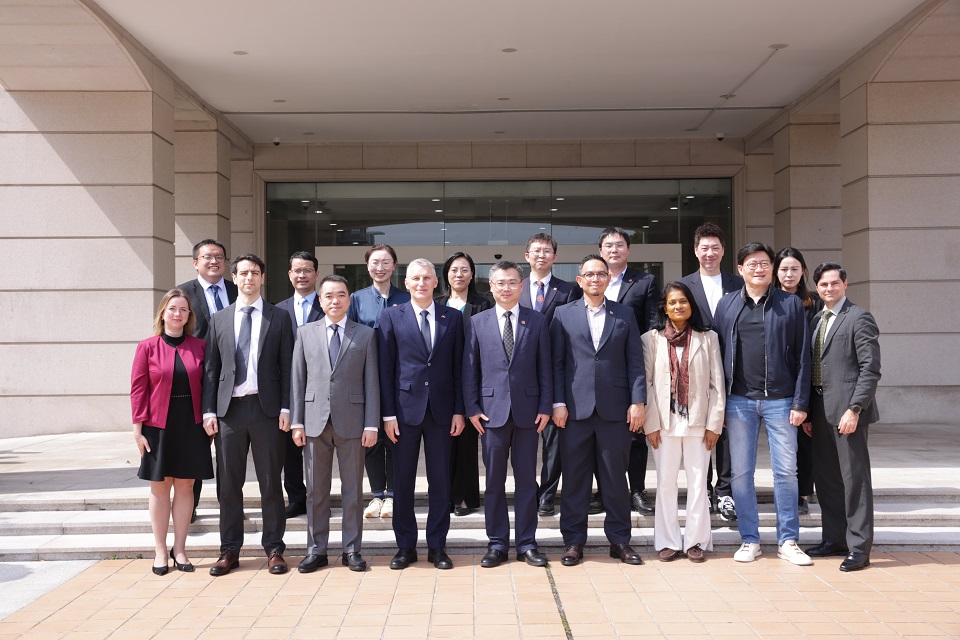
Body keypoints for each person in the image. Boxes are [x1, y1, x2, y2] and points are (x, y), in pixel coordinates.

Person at [713, 242, 812, 566]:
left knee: (786, 473)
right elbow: (717, 357)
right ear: (740, 269)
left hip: (781, 401)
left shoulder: (790, 304)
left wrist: (800, 402)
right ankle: (750, 539)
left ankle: (788, 540)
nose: (759, 269)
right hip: (738, 401)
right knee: (741, 473)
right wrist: (719, 404)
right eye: (752, 264)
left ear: (772, 268)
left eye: (765, 263)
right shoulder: (727, 304)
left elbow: (803, 356)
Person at [551, 254, 646, 567]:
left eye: (601, 274)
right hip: (573, 411)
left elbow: (635, 362)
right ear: (580, 280)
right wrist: (558, 403)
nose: (595, 279)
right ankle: (573, 541)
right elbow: (557, 363)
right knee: (574, 480)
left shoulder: (624, 313)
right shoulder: (563, 314)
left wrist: (638, 401)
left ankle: (619, 541)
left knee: (615, 479)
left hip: (615, 410)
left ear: (608, 278)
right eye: (589, 274)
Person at [203, 254, 294, 577]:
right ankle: (229, 550)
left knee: (271, 483)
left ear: (262, 278)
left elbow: (288, 367)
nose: (249, 278)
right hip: (229, 411)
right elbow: (211, 369)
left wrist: (287, 408)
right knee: (229, 485)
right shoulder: (219, 319)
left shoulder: (279, 317)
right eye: (243, 273)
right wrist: (209, 410)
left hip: (267, 410)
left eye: (255, 272)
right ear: (235, 277)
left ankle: (274, 549)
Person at [462, 261, 552, 568]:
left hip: (529, 414)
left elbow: (545, 367)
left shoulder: (536, 321)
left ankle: (527, 543)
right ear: (491, 286)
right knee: (494, 482)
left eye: (512, 282)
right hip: (491, 415)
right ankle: (497, 543)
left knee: (527, 482)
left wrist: (545, 406)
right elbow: (469, 369)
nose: (506, 288)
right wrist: (472, 408)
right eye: (500, 282)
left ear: (521, 286)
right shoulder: (478, 322)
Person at [378, 258, 465, 570]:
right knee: (402, 482)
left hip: (442, 411)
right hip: (403, 412)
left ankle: (437, 546)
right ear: (406, 283)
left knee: (440, 482)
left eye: (427, 278)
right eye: (415, 278)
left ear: (436, 282)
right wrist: (387, 414)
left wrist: (459, 410)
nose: (421, 283)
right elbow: (385, 368)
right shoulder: (391, 316)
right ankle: (405, 547)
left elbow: (459, 367)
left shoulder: (452, 317)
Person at [291, 275, 380, 573]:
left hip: (353, 422)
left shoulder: (365, 334)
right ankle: (316, 550)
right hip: (314, 421)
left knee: (353, 490)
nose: (335, 300)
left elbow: (372, 382)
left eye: (341, 295)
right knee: (316, 491)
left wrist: (371, 424)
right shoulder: (305, 333)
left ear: (349, 299)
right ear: (320, 300)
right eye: (329, 295)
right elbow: (297, 380)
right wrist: (297, 422)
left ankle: (351, 549)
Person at [130, 289, 214, 575]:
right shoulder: (147, 347)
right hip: (158, 426)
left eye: (183, 310)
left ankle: (180, 549)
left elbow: (209, 385)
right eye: (172, 309)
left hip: (191, 424)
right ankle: (160, 550)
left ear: (189, 316)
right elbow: (138, 389)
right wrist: (137, 429)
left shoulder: (200, 346)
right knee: (160, 486)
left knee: (186, 486)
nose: (177, 314)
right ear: (163, 313)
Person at [804, 263, 880, 572]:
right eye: (823, 284)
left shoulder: (859, 317)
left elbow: (870, 368)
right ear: (817, 288)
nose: (829, 289)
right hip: (820, 411)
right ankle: (834, 539)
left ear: (845, 284)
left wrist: (856, 408)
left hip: (848, 412)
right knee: (827, 480)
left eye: (835, 283)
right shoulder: (815, 320)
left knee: (854, 481)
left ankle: (859, 548)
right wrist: (808, 412)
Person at [642, 282, 724, 563]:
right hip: (663, 422)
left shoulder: (708, 338)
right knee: (665, 482)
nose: (678, 306)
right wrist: (650, 424)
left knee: (699, 482)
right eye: (672, 302)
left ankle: (695, 541)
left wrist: (714, 424)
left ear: (691, 305)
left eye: (683, 301)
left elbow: (717, 384)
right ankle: (668, 541)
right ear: (664, 308)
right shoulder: (651, 339)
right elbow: (647, 384)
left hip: (698, 422)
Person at [679, 222, 742, 522]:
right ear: (695, 251)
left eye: (715, 248)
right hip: (697, 369)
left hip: (734, 366)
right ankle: (702, 489)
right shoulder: (683, 286)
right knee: (698, 429)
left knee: (727, 428)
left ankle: (725, 491)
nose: (710, 253)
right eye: (704, 248)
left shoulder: (738, 284)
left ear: (723, 251)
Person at [594, 228, 659, 516]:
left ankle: (637, 491)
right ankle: (603, 490)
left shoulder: (645, 281)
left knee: (634, 433)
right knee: (599, 434)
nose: (614, 250)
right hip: (600, 370)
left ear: (628, 250)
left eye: (619, 245)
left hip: (632, 366)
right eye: (608, 245)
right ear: (601, 251)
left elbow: (653, 324)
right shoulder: (591, 280)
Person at [518, 233, 582, 517]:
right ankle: (526, 490)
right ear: (527, 256)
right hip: (521, 375)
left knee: (553, 441)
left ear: (555, 257)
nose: (541, 255)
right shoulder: (515, 287)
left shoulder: (568, 290)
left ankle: (547, 494)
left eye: (546, 251)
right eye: (536, 251)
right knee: (523, 440)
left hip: (555, 372)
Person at [347, 243, 410, 519]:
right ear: (367, 266)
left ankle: (393, 495)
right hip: (365, 376)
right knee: (371, 435)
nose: (380, 267)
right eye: (375, 262)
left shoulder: (406, 298)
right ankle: (376, 495)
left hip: (399, 376)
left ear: (394, 266)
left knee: (395, 437)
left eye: (386, 262)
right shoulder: (356, 299)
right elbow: (349, 335)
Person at [177, 239, 237, 523]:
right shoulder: (183, 294)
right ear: (195, 262)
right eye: (207, 257)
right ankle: (189, 506)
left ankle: (230, 507)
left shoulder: (238, 291)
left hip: (233, 381)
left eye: (219, 257)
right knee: (195, 447)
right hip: (196, 381)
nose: (214, 262)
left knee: (229, 451)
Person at [436, 252, 491, 517]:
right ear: (446, 274)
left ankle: (465, 498)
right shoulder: (436, 303)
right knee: (443, 443)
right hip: (440, 382)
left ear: (472, 275)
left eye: (465, 270)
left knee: (466, 442)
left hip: (471, 380)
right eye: (454, 270)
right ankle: (446, 496)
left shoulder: (483, 304)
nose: (459, 274)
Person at [774, 247, 823, 516]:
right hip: (779, 381)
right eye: (784, 269)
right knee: (783, 443)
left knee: (806, 439)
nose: (789, 274)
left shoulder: (815, 303)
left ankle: (803, 492)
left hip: (809, 378)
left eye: (794, 268)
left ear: (803, 270)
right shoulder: (770, 301)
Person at [274, 251, 323, 520]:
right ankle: (296, 498)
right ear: (289, 275)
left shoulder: (328, 304)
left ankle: (319, 498)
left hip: (321, 386)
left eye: (307, 270)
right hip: (287, 388)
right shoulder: (277, 310)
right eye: (297, 271)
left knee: (320, 448)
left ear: (316, 274)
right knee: (290, 449)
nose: (302, 275)